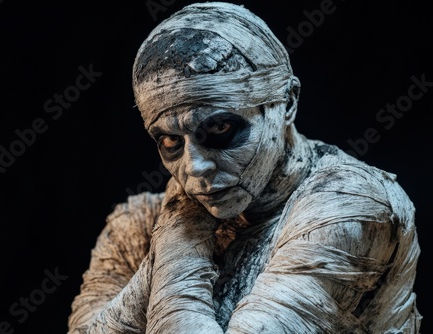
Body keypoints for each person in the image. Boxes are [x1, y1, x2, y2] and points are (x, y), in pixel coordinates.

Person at [67, 2, 422, 333]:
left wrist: (177, 247)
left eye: (220, 129)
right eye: (171, 142)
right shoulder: (135, 229)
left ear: (287, 102)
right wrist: (174, 229)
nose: (195, 167)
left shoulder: (348, 206)